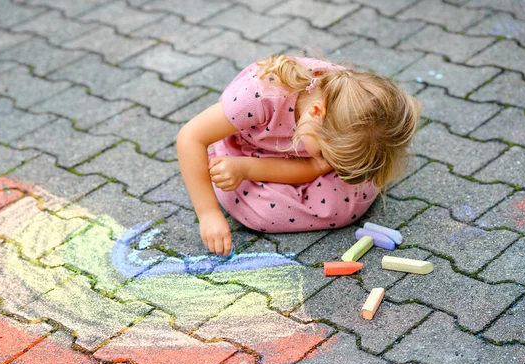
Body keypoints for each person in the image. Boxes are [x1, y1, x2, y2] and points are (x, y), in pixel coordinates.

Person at [177, 53, 422, 257]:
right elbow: (190, 137)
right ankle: (238, 174)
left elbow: (316, 166)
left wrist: (321, 163)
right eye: (328, 155)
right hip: (246, 151)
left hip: (289, 155)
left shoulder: (345, 113)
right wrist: (208, 213)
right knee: (265, 211)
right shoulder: (259, 97)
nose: (333, 165)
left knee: (347, 196)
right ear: (316, 111)